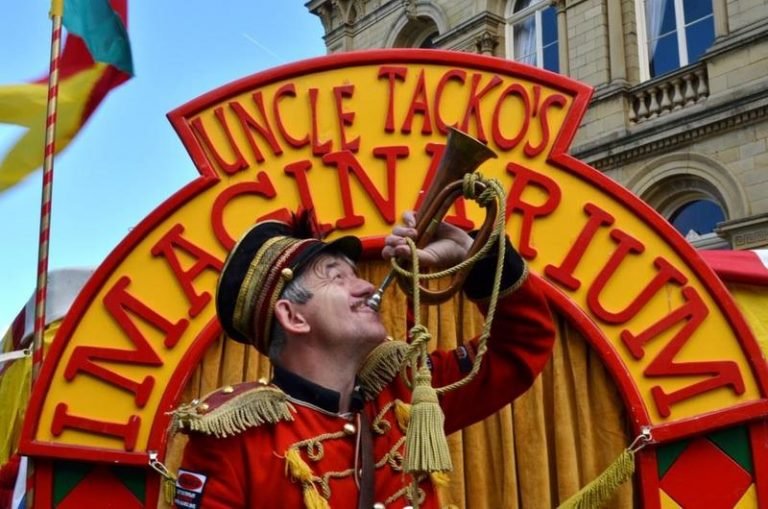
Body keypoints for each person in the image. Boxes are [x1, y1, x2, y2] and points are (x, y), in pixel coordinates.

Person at [172, 210, 555, 509]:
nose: (368, 286)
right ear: (293, 317)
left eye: (356, 275)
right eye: (336, 277)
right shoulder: (231, 440)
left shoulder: (407, 392)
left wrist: (473, 254)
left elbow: (521, 343)